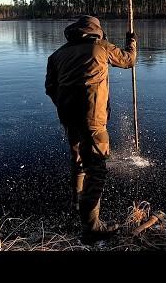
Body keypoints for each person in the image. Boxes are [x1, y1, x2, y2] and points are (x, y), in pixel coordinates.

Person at [45, 15, 137, 243]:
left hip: (68, 116)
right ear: (96, 30)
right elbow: (128, 60)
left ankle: (77, 203)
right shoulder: (101, 47)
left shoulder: (57, 55)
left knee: (77, 159)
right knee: (96, 169)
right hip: (93, 118)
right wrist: (132, 43)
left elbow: (49, 87)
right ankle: (91, 227)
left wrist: (63, 103)